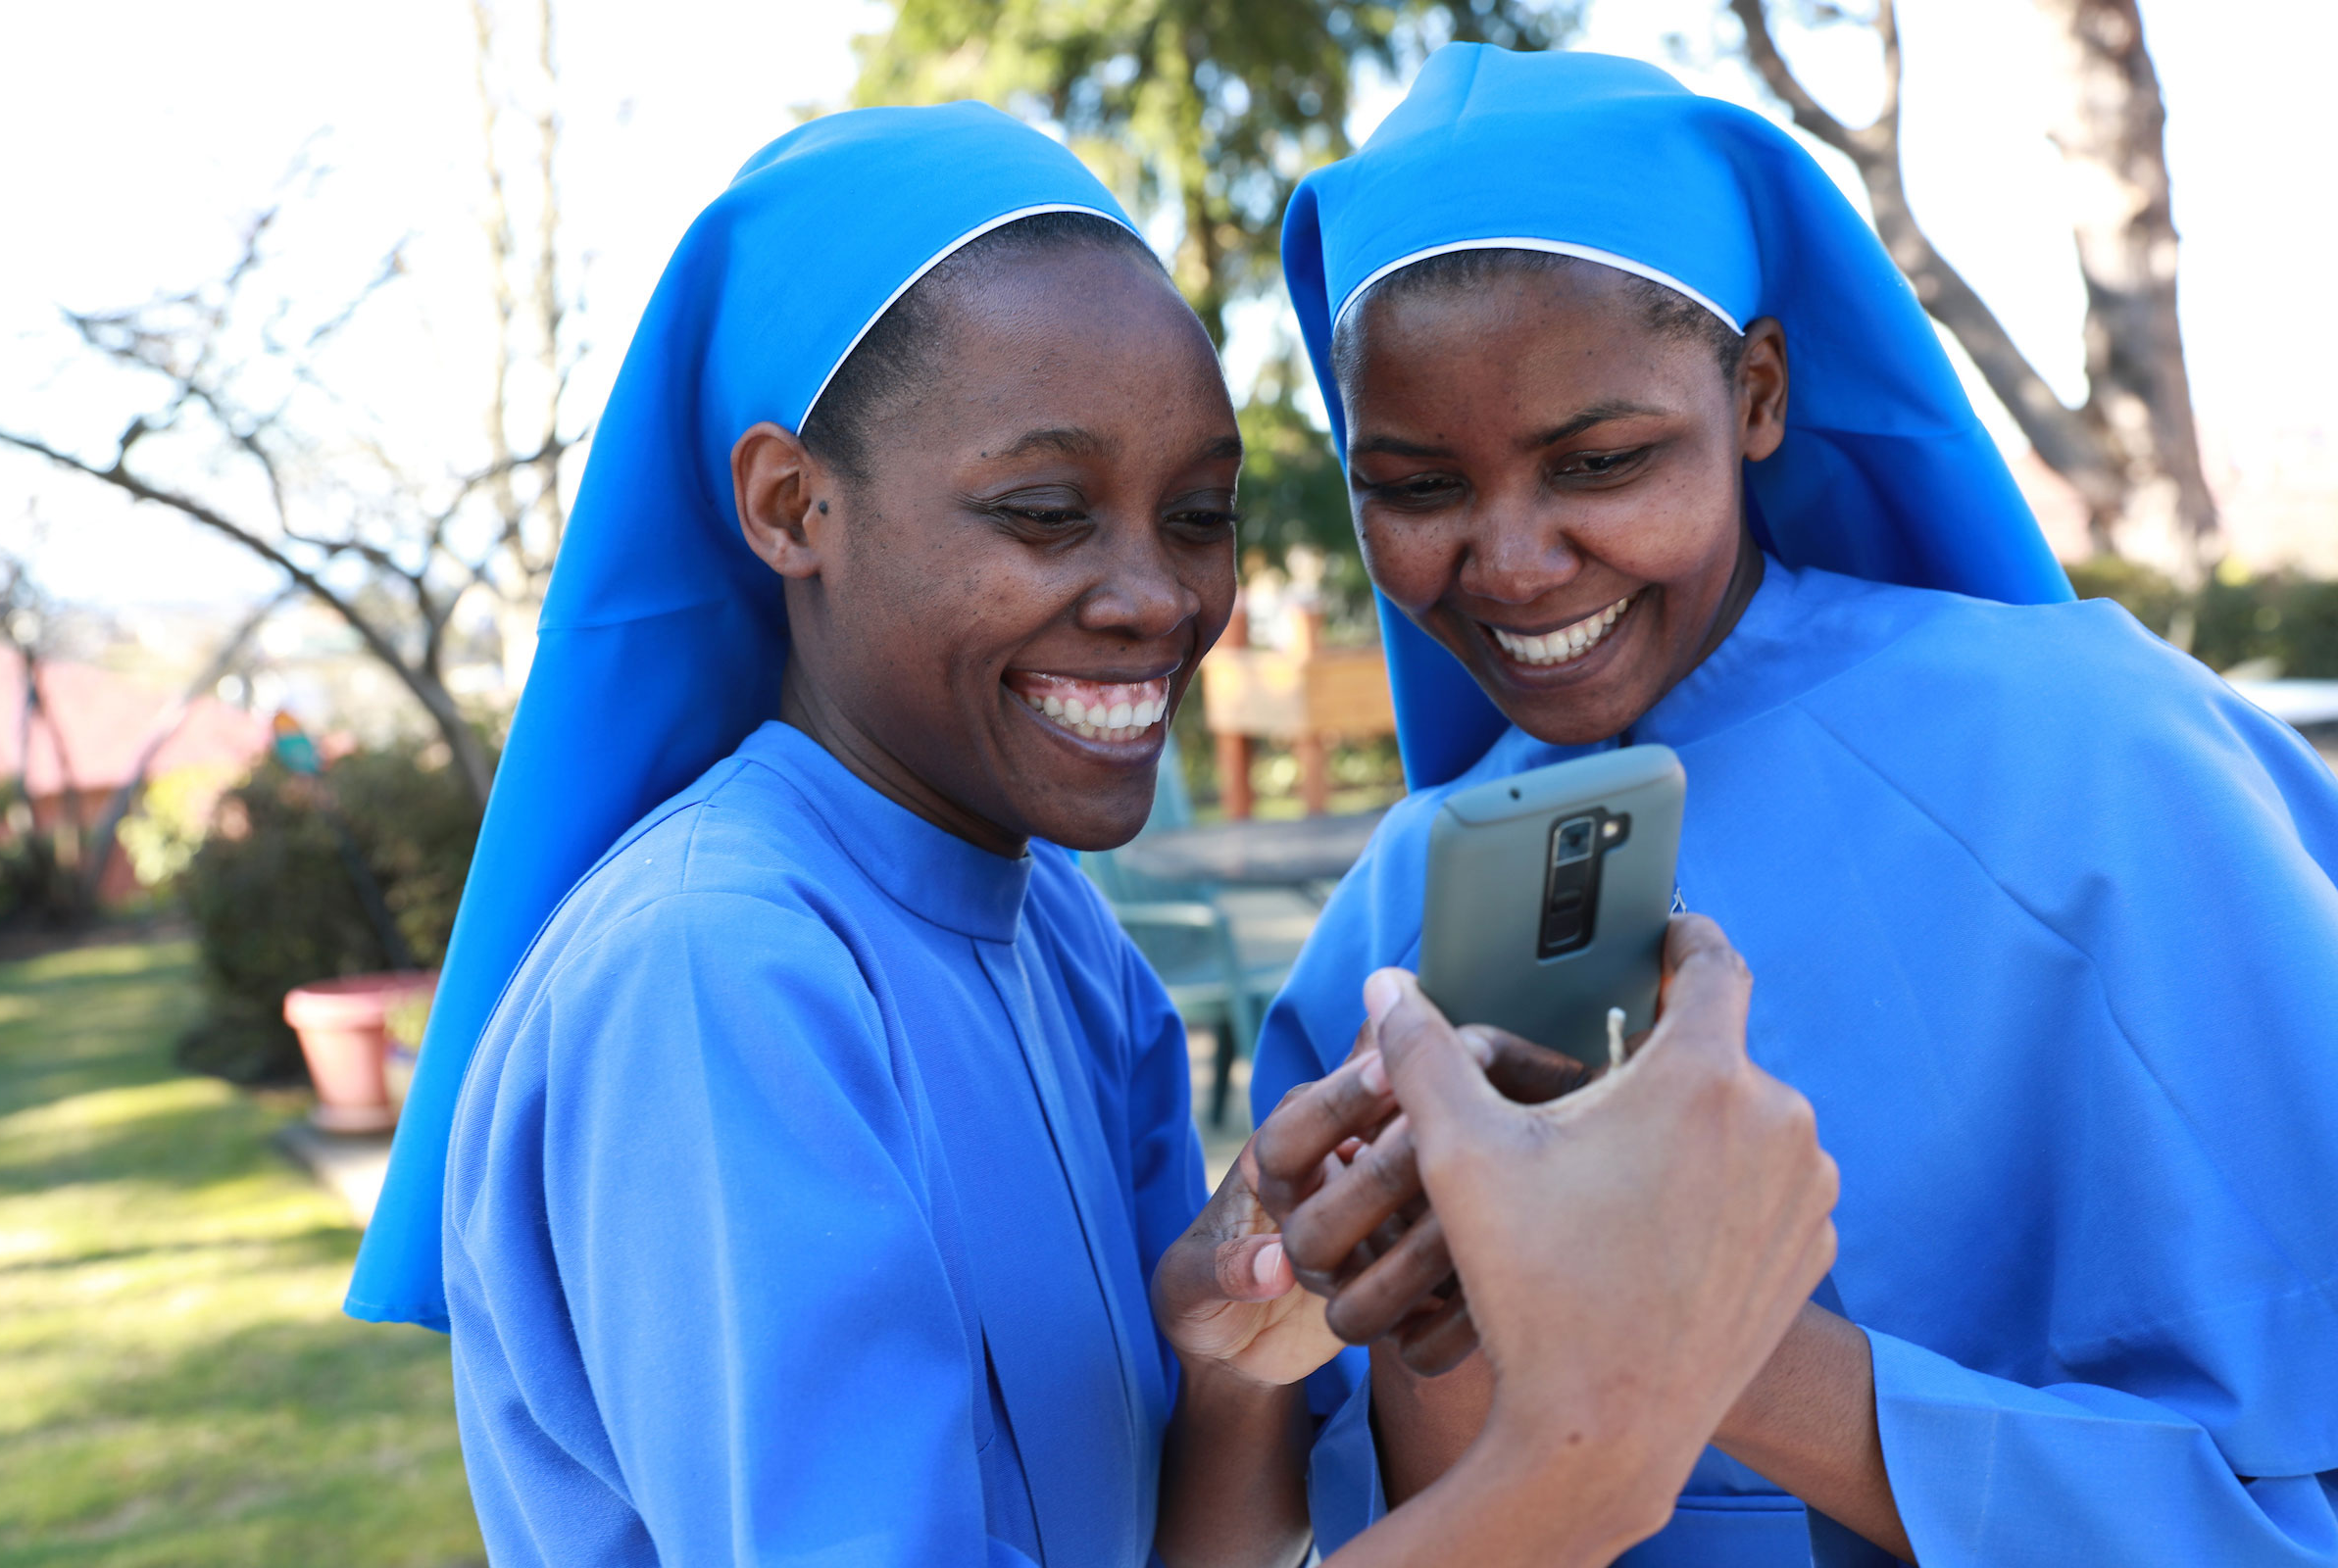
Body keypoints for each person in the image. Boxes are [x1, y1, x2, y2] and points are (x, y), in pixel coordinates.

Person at [339, 101, 1837, 1568]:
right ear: (794, 505)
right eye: (1049, 511)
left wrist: (1242, 1363)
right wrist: (1595, 1460)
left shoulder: (1065, 940)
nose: (1156, 598)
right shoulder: (716, 977)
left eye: (1198, 516)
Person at [1253, 45, 2338, 1568]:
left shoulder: (2100, 762)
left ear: (1756, 393)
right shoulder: (1397, 908)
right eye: (1417, 488)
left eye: (1604, 461)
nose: (1508, 564)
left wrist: (1712, 1348)